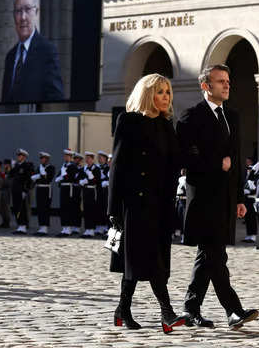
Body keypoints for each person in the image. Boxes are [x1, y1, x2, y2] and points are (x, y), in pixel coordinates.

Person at [177, 64, 258, 330]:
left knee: (208, 255)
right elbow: (185, 157)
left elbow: (234, 161)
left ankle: (190, 309)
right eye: (220, 81)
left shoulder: (232, 116)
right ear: (205, 86)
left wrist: (239, 198)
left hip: (225, 199)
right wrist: (215, 163)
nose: (227, 85)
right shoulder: (191, 117)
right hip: (203, 199)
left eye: (228, 80)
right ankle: (233, 311)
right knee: (215, 255)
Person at [108, 73, 186, 333]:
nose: (166, 97)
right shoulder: (128, 121)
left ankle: (122, 310)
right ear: (147, 94)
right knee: (151, 259)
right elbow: (117, 166)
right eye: (160, 92)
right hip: (135, 204)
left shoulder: (166, 125)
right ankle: (168, 313)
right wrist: (113, 209)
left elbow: (176, 164)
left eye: (168, 92)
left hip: (161, 204)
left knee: (140, 259)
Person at [1, 0, 63, 103]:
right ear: (14, 15)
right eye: (18, 11)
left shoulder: (47, 51)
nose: (23, 17)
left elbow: (56, 98)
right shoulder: (10, 56)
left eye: (27, 9)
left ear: (36, 12)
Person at [55, 149, 78, 237]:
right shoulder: (64, 165)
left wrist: (64, 176)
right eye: (65, 155)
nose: (65, 157)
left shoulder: (73, 166)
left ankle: (68, 228)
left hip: (69, 188)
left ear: (70, 157)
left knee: (68, 208)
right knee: (63, 207)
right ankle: (64, 227)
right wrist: (61, 176)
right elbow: (58, 177)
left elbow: (71, 178)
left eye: (67, 156)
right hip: (63, 188)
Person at [11, 149, 34, 235]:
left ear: (24, 157)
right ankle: (19, 225)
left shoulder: (27, 166)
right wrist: (13, 167)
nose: (18, 157)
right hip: (15, 190)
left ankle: (23, 226)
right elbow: (11, 175)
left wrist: (25, 190)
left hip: (22, 190)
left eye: (20, 156)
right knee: (16, 207)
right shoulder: (17, 166)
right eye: (18, 155)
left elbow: (29, 179)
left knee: (22, 208)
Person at [31, 152, 55, 236]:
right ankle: (41, 226)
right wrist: (38, 177)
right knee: (40, 208)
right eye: (40, 158)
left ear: (47, 159)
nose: (41, 160)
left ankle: (45, 227)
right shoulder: (39, 167)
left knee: (45, 208)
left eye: (43, 158)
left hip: (46, 189)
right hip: (39, 188)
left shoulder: (51, 168)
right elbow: (36, 178)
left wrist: (41, 176)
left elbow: (48, 179)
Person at [242, 159, 259, 244]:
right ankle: (248, 235)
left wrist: (250, 192)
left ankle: (253, 236)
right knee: (247, 218)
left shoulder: (255, 179)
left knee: (252, 218)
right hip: (246, 200)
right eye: (248, 169)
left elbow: (257, 190)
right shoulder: (246, 178)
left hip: (252, 200)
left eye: (250, 170)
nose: (248, 171)